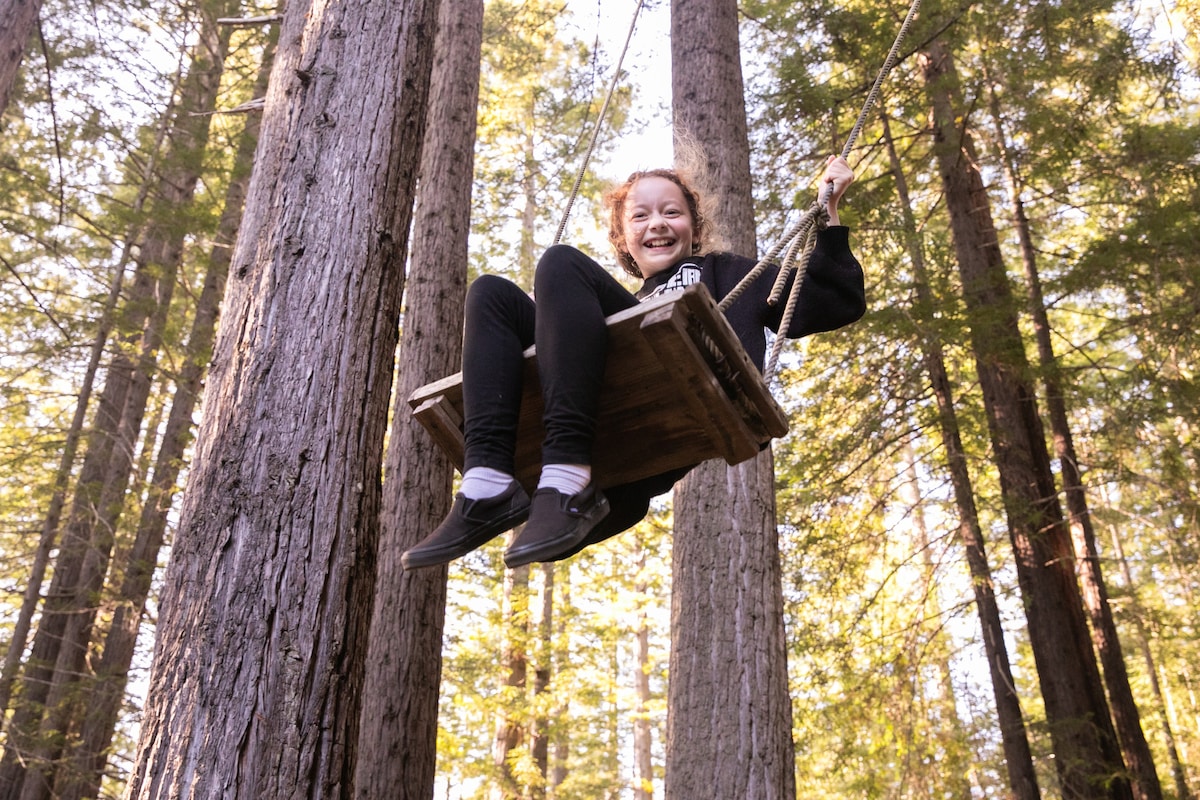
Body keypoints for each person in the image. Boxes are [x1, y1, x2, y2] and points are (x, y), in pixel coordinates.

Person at [401, 151, 866, 570]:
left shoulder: (724, 272)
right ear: (624, 241)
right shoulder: (609, 308)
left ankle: (567, 477)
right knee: (491, 296)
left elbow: (827, 305)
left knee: (559, 263)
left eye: (672, 212)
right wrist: (545, 322)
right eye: (640, 216)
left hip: (695, 382)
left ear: (695, 229)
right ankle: (487, 485)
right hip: (612, 409)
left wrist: (827, 214)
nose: (657, 223)